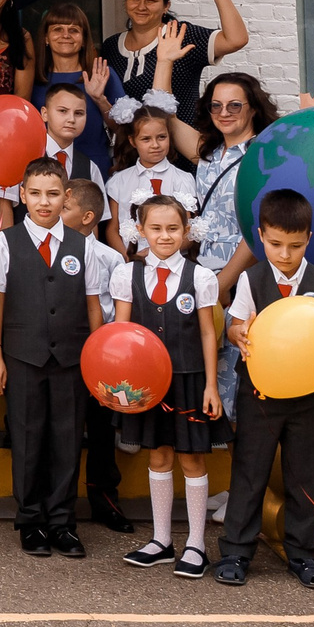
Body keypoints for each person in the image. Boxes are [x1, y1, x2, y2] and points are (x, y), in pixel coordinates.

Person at [216, 189, 314, 590]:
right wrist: (239, 331)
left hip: (307, 398)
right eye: (275, 244)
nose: (285, 254)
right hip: (258, 396)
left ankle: (303, 554)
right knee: (250, 473)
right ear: (261, 236)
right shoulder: (250, 280)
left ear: (309, 238)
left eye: (294, 245)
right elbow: (234, 325)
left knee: (303, 474)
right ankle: (236, 551)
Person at [0, 159, 107, 559]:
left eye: (53, 194)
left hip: (71, 357)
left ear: (66, 197)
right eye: (35, 193)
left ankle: (62, 522)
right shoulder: (5, 242)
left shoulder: (83, 245)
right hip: (23, 355)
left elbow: (93, 307)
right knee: (28, 437)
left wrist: (98, 358)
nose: (44, 202)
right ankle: (31, 520)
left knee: (68, 440)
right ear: (22, 195)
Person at [161, 59, 290, 414]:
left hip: (243, 269)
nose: (224, 112)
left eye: (235, 105)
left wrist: (225, 280)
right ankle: (209, 436)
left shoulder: (265, 157)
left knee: (240, 351)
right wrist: (165, 62)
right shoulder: (207, 152)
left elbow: (259, 227)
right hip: (204, 268)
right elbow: (164, 111)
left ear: (252, 109)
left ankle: (235, 437)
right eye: (216, 105)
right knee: (207, 352)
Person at [115, 192, 229, 578]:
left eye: (173, 228)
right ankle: (161, 540)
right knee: (158, 455)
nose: (164, 236)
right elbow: (122, 335)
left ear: (186, 230)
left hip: (189, 380)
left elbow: (209, 335)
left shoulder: (199, 276)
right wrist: (121, 385)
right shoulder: (127, 274)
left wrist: (211, 385)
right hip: (147, 385)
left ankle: (196, 543)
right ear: (140, 230)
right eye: (156, 228)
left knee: (191, 458)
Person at [57, 178, 136, 533]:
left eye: (66, 207)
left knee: (102, 429)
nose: (58, 210)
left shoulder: (110, 257)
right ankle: (60, 504)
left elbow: (116, 306)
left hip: (101, 351)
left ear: (88, 217)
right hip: (62, 351)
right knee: (64, 428)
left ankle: (104, 498)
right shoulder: (53, 247)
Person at [101, 0, 247, 113]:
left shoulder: (181, 35)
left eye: (152, 1)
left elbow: (236, 39)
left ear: (166, 6)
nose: (141, 6)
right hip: (130, 138)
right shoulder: (111, 46)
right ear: (125, 1)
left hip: (183, 135)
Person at [31, 4, 134, 173]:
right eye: (57, 29)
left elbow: (125, 129)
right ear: (46, 38)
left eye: (74, 30)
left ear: (84, 39)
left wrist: (100, 99)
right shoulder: (34, 78)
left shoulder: (100, 73)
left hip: (93, 166)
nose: (66, 35)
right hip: (43, 169)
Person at [0, 84, 104, 230]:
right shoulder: (20, 155)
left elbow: (92, 222)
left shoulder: (90, 167)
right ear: (44, 114)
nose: (71, 119)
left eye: (79, 113)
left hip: (71, 251)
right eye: (63, 111)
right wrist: (10, 248)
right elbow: (4, 204)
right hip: (27, 248)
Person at [105, 105, 194, 250]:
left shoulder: (183, 179)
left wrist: (158, 256)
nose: (155, 145)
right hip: (130, 261)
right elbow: (112, 229)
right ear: (133, 141)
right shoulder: (118, 181)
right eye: (146, 139)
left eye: (161, 137)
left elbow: (187, 227)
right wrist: (128, 259)